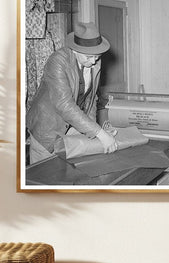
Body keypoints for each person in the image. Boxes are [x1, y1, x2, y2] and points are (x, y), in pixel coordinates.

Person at [26, 22, 117, 164]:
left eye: (97, 56)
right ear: (75, 50)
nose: (93, 62)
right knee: (45, 175)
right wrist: (100, 134)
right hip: (47, 128)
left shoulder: (93, 60)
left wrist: (93, 132)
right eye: (88, 57)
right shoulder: (57, 62)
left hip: (72, 125)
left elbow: (91, 99)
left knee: (69, 171)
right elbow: (64, 105)